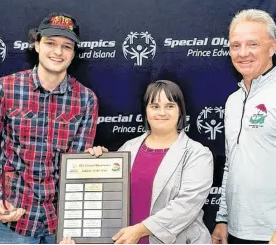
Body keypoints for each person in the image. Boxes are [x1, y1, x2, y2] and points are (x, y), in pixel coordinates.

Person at [0, 12, 99, 244]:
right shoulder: (4, 88)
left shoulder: (86, 100)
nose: (58, 52)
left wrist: (74, 223)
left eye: (66, 46)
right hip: (15, 220)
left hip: (60, 226)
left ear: (73, 53)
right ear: (36, 44)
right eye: (50, 43)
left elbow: (77, 170)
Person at [84, 80, 213, 244]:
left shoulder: (197, 154)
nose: (162, 112)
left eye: (170, 106)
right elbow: (111, 195)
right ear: (145, 111)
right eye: (155, 106)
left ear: (180, 111)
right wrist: (100, 163)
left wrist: (139, 230)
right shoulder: (128, 148)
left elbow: (186, 206)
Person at [212, 9, 276, 244]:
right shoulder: (233, 101)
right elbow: (231, 165)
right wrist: (223, 219)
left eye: (252, 44)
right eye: (235, 45)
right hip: (237, 232)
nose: (243, 53)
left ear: (272, 47)